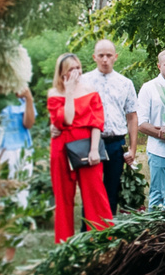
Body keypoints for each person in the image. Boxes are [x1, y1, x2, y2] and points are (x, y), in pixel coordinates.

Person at [45, 53, 114, 242]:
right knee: (64, 198)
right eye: (71, 69)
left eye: (78, 68)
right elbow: (65, 119)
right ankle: (65, 244)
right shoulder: (54, 94)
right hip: (61, 149)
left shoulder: (90, 90)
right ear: (62, 73)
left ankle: (103, 240)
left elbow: (97, 123)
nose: (76, 72)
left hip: (86, 145)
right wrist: (68, 92)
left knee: (95, 195)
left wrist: (94, 150)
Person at [88, 38, 138, 218]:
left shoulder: (125, 83)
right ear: (94, 57)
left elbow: (132, 116)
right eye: (101, 55)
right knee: (91, 189)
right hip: (91, 143)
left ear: (115, 57)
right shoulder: (85, 81)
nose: (105, 59)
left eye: (109, 55)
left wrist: (132, 148)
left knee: (112, 187)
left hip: (116, 142)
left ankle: (108, 231)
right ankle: (87, 232)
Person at [134, 48, 165, 212]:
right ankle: (154, 231)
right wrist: (163, 134)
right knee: (157, 194)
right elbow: (141, 123)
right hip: (159, 149)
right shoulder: (149, 88)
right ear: (159, 66)